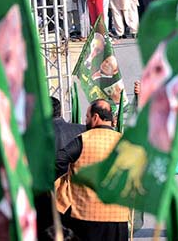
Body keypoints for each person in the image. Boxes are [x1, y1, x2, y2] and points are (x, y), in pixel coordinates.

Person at [55, 100, 130, 241]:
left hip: (87, 216)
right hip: (118, 217)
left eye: (87, 117)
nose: (86, 121)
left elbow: (59, 161)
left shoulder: (83, 140)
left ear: (95, 117)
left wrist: (65, 180)